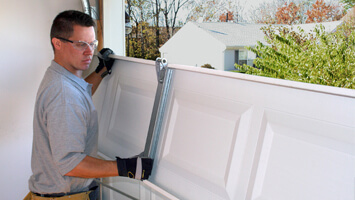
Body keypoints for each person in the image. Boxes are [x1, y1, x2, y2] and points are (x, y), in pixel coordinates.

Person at [26, 10, 153, 200]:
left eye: (92, 43)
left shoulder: (60, 76)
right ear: (57, 43)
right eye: (81, 44)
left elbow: (79, 94)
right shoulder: (63, 93)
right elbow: (69, 163)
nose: (89, 51)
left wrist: (101, 71)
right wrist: (125, 168)